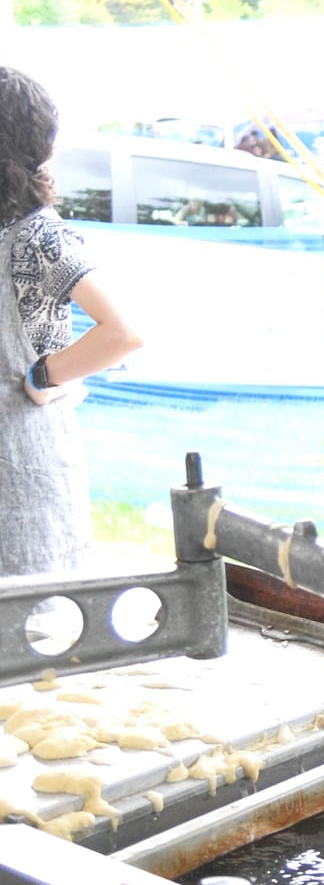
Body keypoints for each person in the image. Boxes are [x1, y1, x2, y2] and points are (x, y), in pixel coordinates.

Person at [1, 67, 143, 577]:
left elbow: (123, 333)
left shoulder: (36, 235)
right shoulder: (33, 233)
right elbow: (122, 332)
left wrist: (47, 374)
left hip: (21, 475)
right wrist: (52, 375)